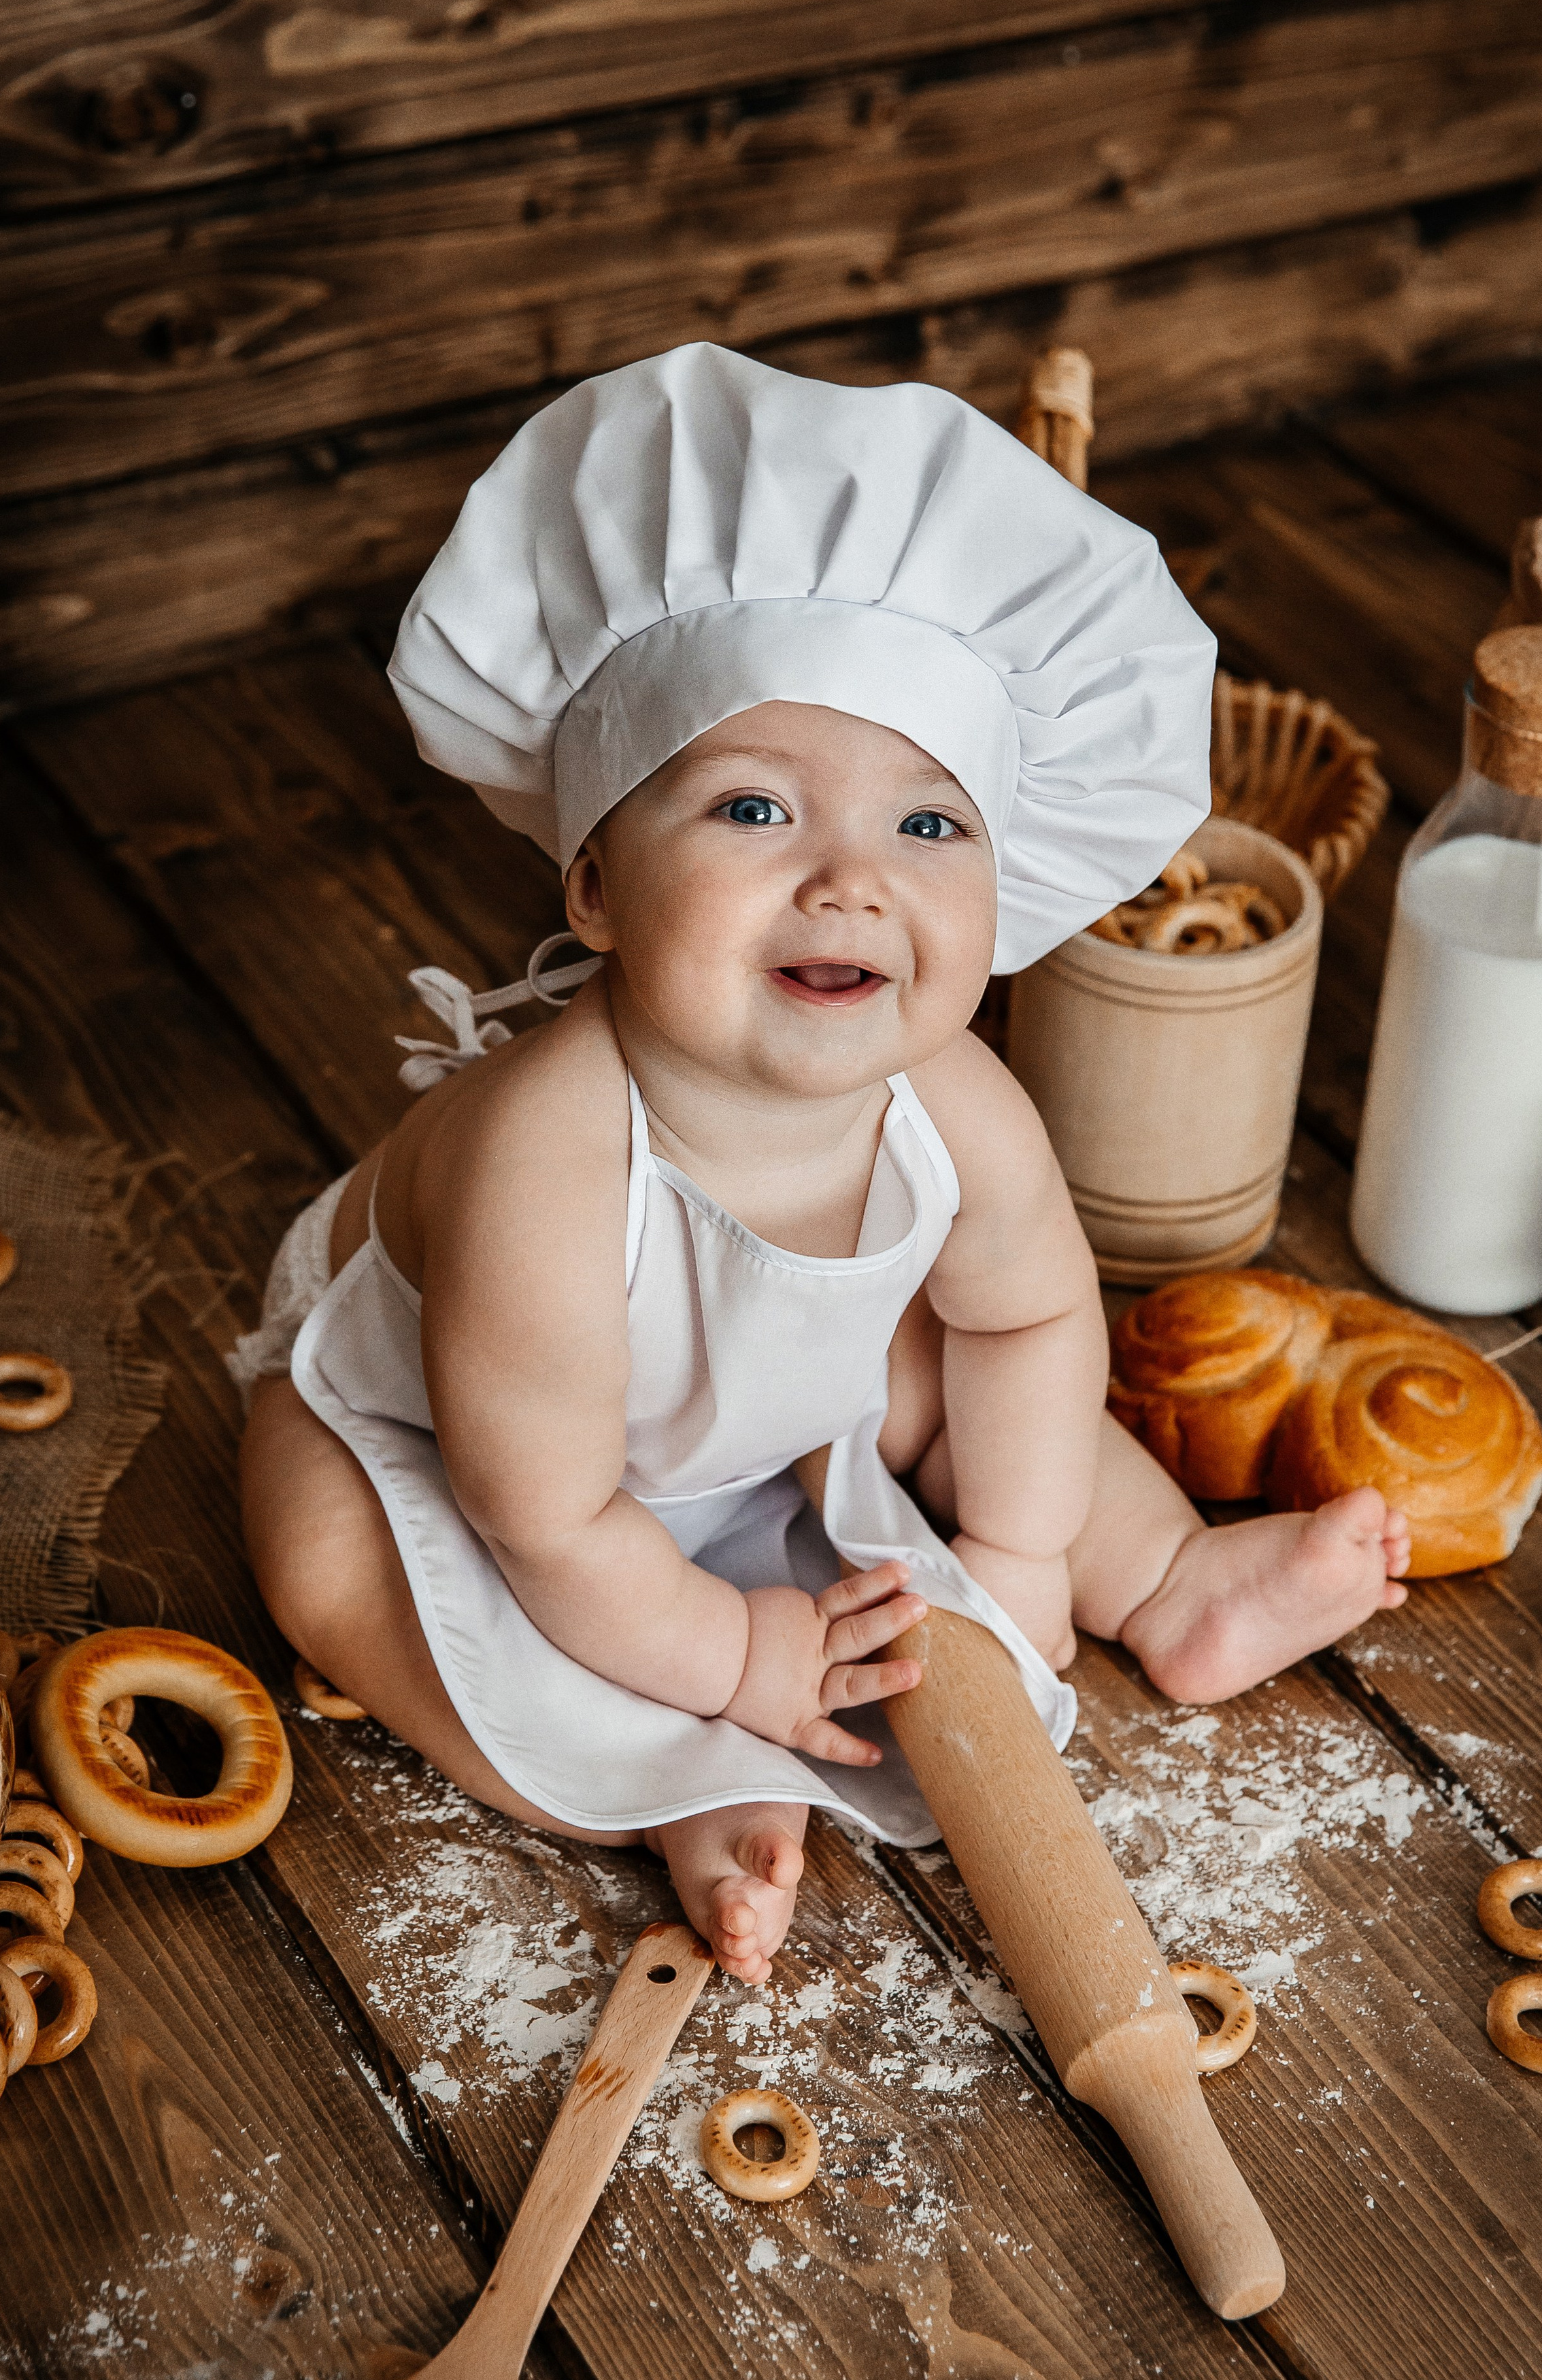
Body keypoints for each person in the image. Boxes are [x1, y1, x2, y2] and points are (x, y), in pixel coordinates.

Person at [235, 346, 1409, 1984]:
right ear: (591, 885)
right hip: (474, 1434)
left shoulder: (955, 1100)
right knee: (320, 1553)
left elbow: (1025, 1327)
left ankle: (1163, 1581)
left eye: (928, 828)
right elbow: (550, 1512)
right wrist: (737, 1656)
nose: (851, 884)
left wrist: (1010, 1566)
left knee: (973, 1389)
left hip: (750, 1399)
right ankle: (671, 1789)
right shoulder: (544, 1162)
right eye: (752, 810)